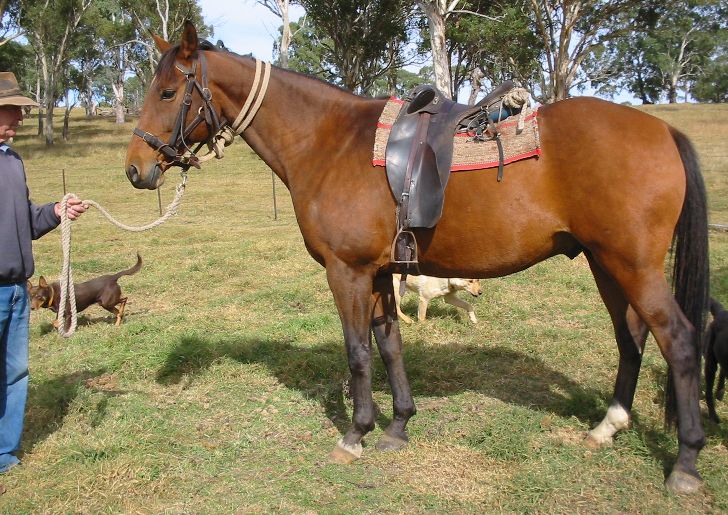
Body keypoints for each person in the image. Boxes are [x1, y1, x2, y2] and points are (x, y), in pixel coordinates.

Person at [0, 71, 86, 475]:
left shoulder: (13, 162)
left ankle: (5, 455)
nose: (19, 118)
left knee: (15, 373)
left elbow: (27, 221)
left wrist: (54, 211)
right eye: (11, 110)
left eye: (20, 110)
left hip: (17, 291)